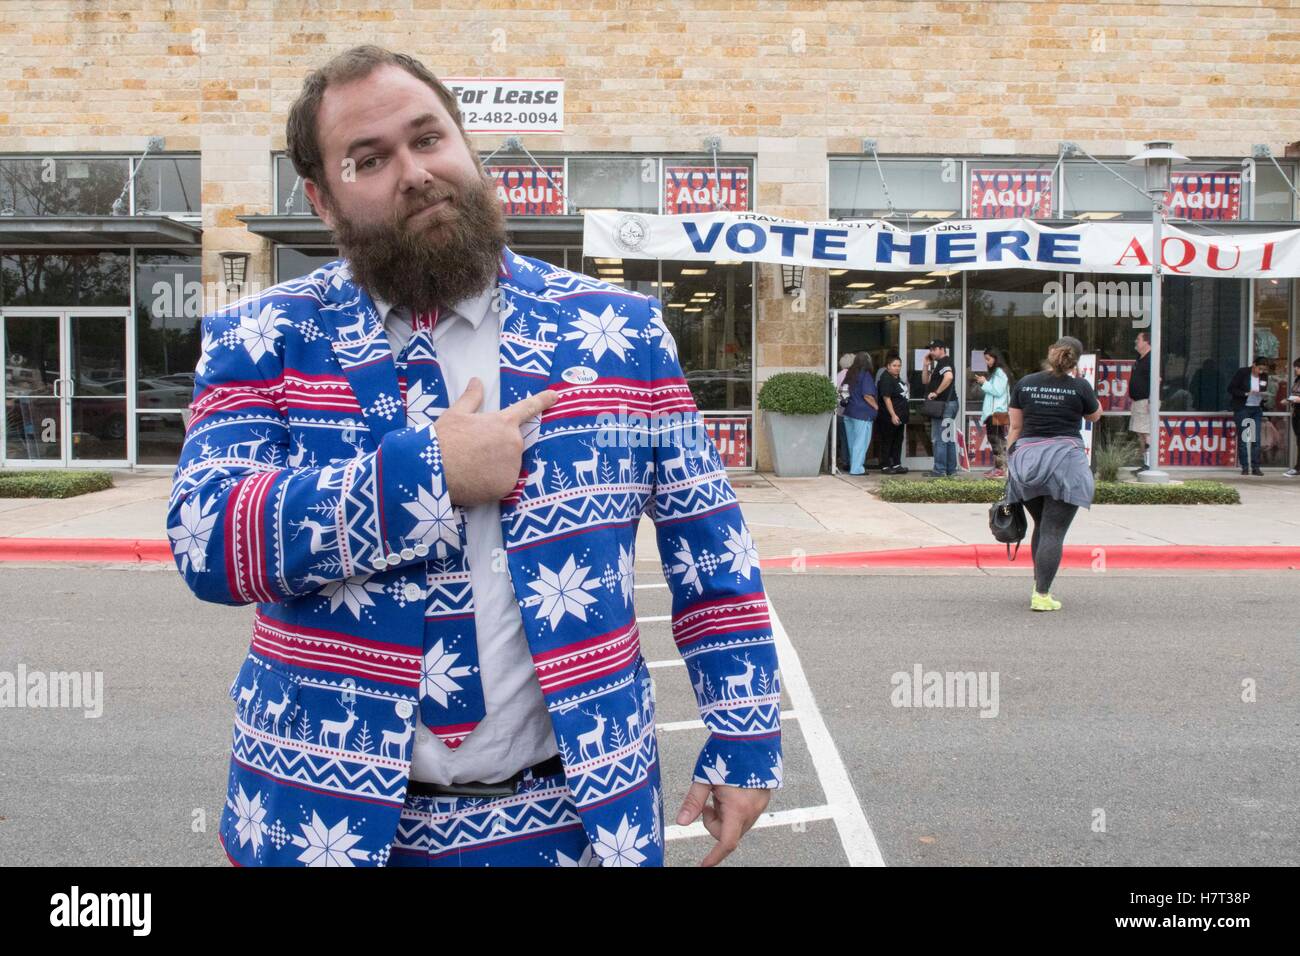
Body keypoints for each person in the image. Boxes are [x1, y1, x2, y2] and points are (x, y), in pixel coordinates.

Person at [167, 45, 781, 868]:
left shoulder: (617, 334)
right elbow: (206, 540)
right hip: (319, 827)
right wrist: (421, 476)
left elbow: (710, 544)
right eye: (369, 159)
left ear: (468, 146)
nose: (413, 172)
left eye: (428, 139)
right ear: (320, 199)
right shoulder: (263, 339)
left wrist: (743, 735)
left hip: (573, 823)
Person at [1005, 336, 1103, 611]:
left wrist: (1010, 464)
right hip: (1065, 464)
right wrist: (1081, 385)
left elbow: (1015, 427)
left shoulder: (1025, 383)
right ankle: (1042, 593)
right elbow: (1095, 416)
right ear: (1075, 360)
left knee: (1041, 525)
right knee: (1053, 530)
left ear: (1051, 352)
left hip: (1028, 462)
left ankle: (1039, 583)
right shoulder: (1080, 386)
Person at [1228, 357, 1271, 476]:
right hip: (1243, 408)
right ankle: (1245, 467)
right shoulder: (1243, 373)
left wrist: (1264, 396)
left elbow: (1263, 389)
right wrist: (1246, 393)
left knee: (1256, 439)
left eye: (1264, 370)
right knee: (1244, 438)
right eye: (1259, 369)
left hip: (1256, 409)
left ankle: (1255, 467)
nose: (1261, 372)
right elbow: (1231, 389)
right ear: (1254, 365)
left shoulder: (1264, 376)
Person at [974, 347, 1011, 479]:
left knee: (996, 439)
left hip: (998, 412)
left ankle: (1001, 468)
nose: (987, 362)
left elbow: (997, 391)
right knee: (995, 439)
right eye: (985, 359)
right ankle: (998, 466)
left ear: (996, 358)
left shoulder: (1000, 372)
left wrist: (984, 383)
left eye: (988, 359)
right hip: (997, 412)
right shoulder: (997, 372)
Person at [921, 339, 957, 477]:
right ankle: (950, 469)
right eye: (930, 349)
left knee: (940, 439)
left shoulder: (945, 362)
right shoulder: (939, 364)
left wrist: (936, 393)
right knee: (947, 438)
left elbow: (948, 377)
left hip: (944, 406)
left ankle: (940, 470)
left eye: (934, 349)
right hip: (947, 405)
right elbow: (925, 381)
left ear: (942, 349)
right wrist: (925, 366)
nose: (931, 352)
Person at [841, 351, 879, 475]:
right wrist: (876, 407)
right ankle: (857, 469)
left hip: (849, 412)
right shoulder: (865, 375)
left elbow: (843, 392)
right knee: (861, 442)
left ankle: (854, 465)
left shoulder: (849, 375)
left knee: (852, 442)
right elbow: (867, 395)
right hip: (862, 414)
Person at [877, 351, 909, 474]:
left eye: (899, 365)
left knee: (897, 440)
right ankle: (885, 466)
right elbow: (886, 398)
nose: (897, 368)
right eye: (894, 365)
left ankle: (896, 464)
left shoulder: (897, 378)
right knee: (887, 440)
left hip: (900, 417)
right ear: (888, 366)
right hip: (889, 417)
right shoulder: (886, 379)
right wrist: (893, 415)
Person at [1128, 330, 1152, 472]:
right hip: (1137, 401)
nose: (1136, 341)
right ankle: (1145, 463)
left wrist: (1152, 401)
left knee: (1146, 433)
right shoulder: (1139, 358)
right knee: (1140, 433)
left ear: (1147, 342)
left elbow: (1158, 381)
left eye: (1139, 339)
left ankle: (1149, 465)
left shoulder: (1152, 360)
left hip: (1146, 402)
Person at [833, 352, 853, 471]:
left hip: (839, 411)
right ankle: (849, 461)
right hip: (848, 411)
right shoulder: (850, 375)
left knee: (843, 437)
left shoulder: (838, 375)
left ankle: (845, 460)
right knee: (850, 437)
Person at [1286, 358, 1300, 478]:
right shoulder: (1297, 380)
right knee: (1298, 440)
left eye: (1298, 367)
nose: (1296, 369)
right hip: (1296, 413)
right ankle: (1298, 467)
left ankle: (1298, 467)